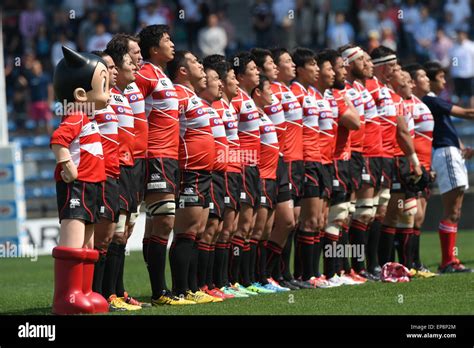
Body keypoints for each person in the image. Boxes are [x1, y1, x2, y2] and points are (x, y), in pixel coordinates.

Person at [50, 46, 109, 314]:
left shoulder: (88, 118)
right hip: (77, 185)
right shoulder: (76, 116)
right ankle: (67, 296)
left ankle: (85, 291)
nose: (108, 91)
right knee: (73, 239)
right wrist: (68, 165)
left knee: (88, 242)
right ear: (81, 94)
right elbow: (58, 140)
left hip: (92, 186)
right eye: (103, 84)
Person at [167, 50, 218, 303]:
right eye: (196, 62)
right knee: (186, 231)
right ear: (183, 71)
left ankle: (193, 288)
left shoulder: (195, 97)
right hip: (189, 171)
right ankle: (180, 289)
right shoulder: (177, 94)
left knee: (197, 230)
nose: (201, 65)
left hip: (204, 172)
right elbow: (169, 131)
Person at [421, 61, 474, 273]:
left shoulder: (435, 102)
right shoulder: (430, 100)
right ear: (431, 80)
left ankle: (450, 260)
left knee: (456, 210)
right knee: (452, 209)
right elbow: (467, 114)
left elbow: (446, 127)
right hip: (445, 154)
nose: (444, 81)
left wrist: (462, 146)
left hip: (450, 152)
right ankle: (447, 262)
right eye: (441, 77)